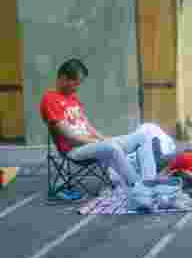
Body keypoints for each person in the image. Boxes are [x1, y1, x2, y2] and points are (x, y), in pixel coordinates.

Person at [39, 58, 167, 189]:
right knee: (112, 147)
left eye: (79, 84)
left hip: (93, 143)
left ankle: (149, 182)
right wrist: (99, 142)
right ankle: (137, 186)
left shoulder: (73, 98)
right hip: (74, 150)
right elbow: (70, 137)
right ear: (63, 78)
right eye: (75, 84)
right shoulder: (49, 99)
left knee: (143, 137)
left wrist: (103, 138)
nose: (77, 88)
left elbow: (87, 126)